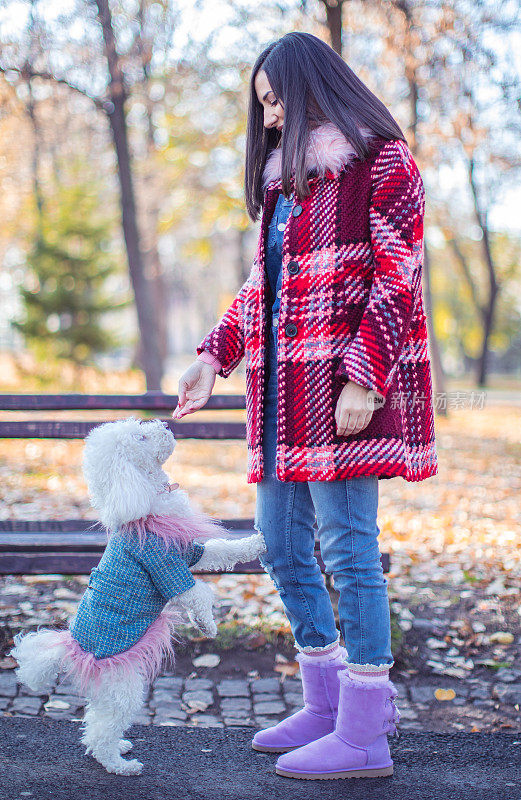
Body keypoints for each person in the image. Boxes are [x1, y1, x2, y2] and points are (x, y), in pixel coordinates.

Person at [173, 31, 438, 781]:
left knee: (348, 553)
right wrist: (209, 359)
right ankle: (325, 706)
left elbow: (396, 281)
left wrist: (364, 378)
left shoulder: (383, 165)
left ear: (314, 86)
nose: (270, 118)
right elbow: (260, 292)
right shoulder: (286, 186)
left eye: (275, 99)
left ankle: (364, 733)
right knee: (283, 547)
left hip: (342, 394)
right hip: (281, 398)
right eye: (260, 107)